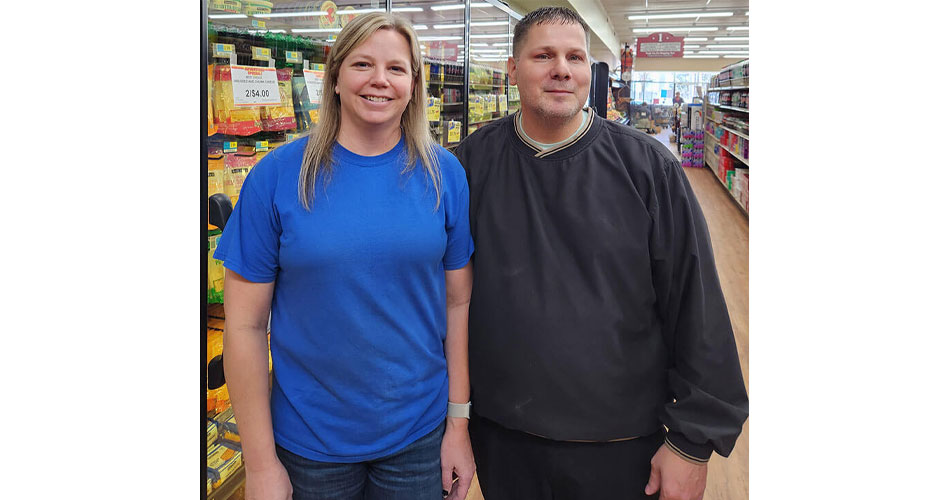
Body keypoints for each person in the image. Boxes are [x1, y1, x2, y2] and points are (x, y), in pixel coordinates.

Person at [453, 7, 748, 500]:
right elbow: (447, 298)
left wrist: (693, 442)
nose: (561, 69)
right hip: (503, 439)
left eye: (575, 57)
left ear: (591, 70)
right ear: (511, 69)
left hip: (620, 444)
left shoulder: (648, 167)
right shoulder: (469, 164)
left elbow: (696, 303)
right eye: (543, 55)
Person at [214, 12, 476, 500]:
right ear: (334, 76)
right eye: (362, 65)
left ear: (414, 84)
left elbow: (457, 304)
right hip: (307, 444)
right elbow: (245, 326)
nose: (380, 80)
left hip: (418, 436)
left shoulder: (445, 176)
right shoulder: (275, 177)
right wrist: (260, 462)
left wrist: (458, 424)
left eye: (396, 69)